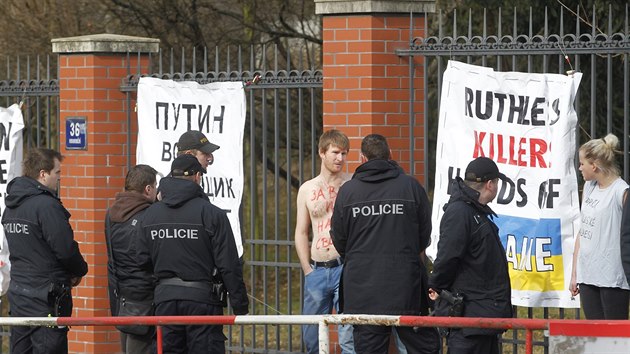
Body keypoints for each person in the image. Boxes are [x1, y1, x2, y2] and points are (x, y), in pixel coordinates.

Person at [330, 134, 439, 354]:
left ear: (362, 158)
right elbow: (424, 235)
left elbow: (340, 241)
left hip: (363, 291)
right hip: (406, 287)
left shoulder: (348, 192)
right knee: (422, 348)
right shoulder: (411, 187)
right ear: (390, 155)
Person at [136, 153, 249, 353]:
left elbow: (141, 260)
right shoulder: (212, 214)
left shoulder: (150, 215)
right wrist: (240, 307)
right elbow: (229, 265)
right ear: (197, 177)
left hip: (165, 302)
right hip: (202, 303)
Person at [2, 148, 88, 353]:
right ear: (43, 174)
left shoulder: (12, 205)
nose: (59, 178)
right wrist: (79, 270)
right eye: (57, 173)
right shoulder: (46, 206)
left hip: (20, 295)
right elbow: (65, 249)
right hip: (46, 297)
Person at [428, 156, 512, 354]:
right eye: (497, 183)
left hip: (480, 317)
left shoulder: (474, 211)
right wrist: (436, 285)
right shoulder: (461, 212)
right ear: (490, 184)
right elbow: (448, 257)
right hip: (468, 319)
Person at [294, 129, 354, 354]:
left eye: (345, 153)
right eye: (336, 152)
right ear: (322, 152)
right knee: (311, 337)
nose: (341, 158)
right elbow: (301, 231)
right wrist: (307, 269)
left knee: (349, 333)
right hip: (317, 269)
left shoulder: (351, 184)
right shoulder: (307, 189)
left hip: (344, 267)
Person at [570, 134, 629, 319]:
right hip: (587, 276)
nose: (579, 168)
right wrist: (574, 273)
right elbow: (583, 230)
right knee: (594, 338)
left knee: (614, 341)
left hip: (612, 278)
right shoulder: (589, 187)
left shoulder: (621, 192)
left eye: (582, 163)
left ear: (594, 165)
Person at [105, 164, 159, 353]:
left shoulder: (111, 213)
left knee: (127, 346)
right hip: (144, 295)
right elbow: (148, 258)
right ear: (148, 189)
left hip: (121, 295)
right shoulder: (149, 215)